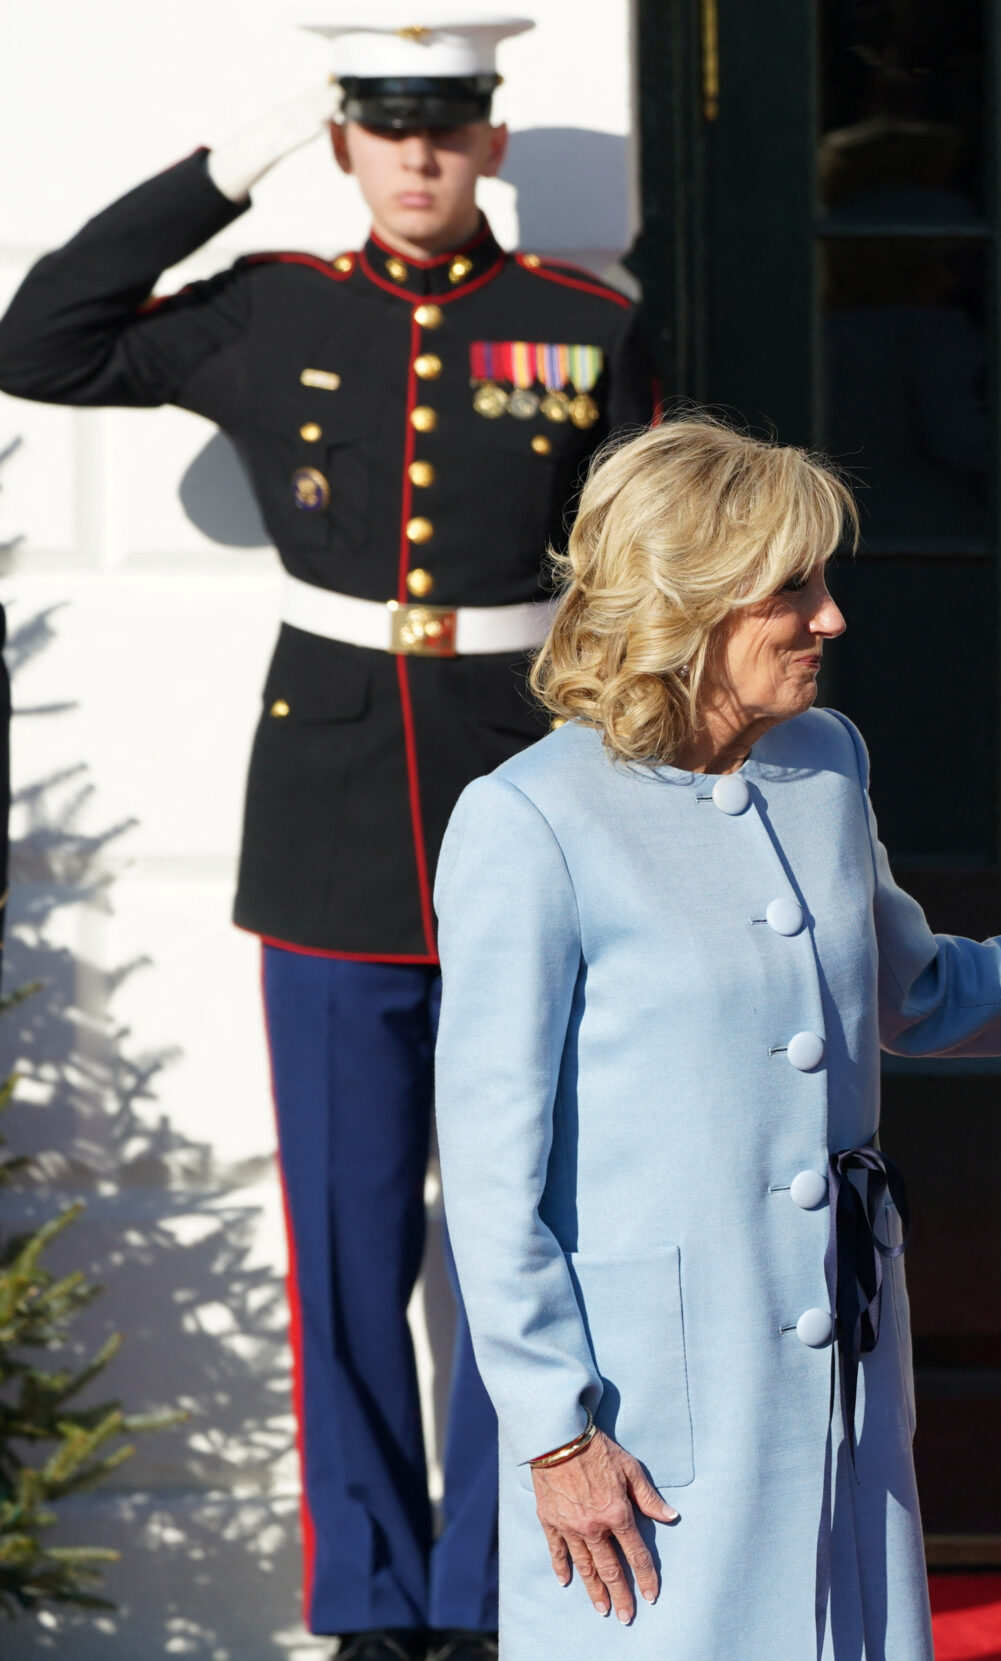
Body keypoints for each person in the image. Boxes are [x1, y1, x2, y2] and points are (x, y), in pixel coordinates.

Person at [0, 18, 653, 1658]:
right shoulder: (274, 306)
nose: (420, 157)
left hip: (533, 803)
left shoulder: (583, 326)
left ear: (492, 141)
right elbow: (43, 337)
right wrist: (236, 159)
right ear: (348, 140)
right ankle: (373, 1605)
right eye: (384, 126)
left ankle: (506, 1585)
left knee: (525, 1231)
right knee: (349, 1236)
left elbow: (654, 569)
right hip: (334, 823)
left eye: (448, 127)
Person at [433, 418, 1001, 1657]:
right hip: (648, 1408)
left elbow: (915, 992)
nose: (830, 619)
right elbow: (492, 1178)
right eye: (793, 588)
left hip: (842, 1371)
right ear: (688, 600)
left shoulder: (824, 762)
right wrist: (555, 1433)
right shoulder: (526, 820)